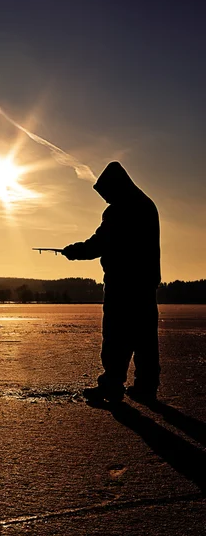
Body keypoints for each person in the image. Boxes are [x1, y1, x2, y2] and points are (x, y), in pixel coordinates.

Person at [62, 161, 161, 405]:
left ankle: (112, 385)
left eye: (105, 193)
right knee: (145, 338)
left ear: (114, 187)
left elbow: (100, 242)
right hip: (145, 283)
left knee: (116, 336)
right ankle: (146, 387)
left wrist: (74, 251)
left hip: (122, 284)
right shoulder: (147, 205)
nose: (105, 199)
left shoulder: (120, 209)